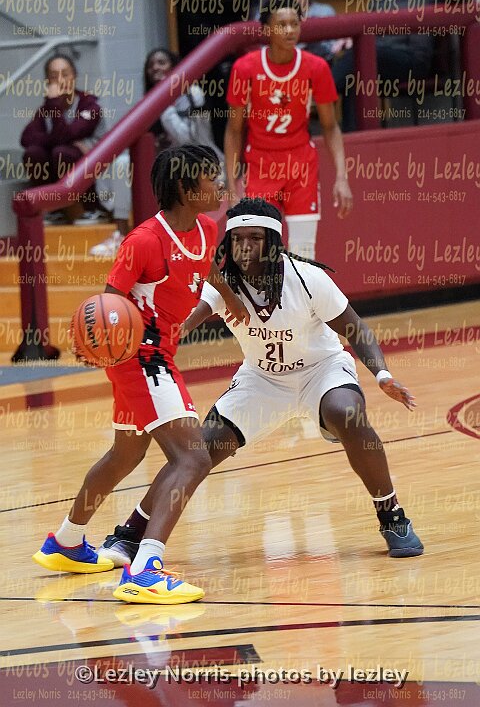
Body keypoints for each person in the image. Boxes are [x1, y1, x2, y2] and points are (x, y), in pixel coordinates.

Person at [98, 197, 423, 601]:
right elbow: (183, 324)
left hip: (320, 370)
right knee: (195, 452)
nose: (245, 247)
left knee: (347, 413)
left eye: (255, 238)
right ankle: (132, 531)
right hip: (262, 380)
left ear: (273, 242)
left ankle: (391, 514)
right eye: (237, 239)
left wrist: (382, 375)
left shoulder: (307, 278)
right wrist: (139, 339)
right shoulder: (222, 284)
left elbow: (355, 328)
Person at [32, 145, 250, 605]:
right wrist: (98, 344)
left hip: (158, 355)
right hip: (141, 359)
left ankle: (67, 541)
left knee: (125, 454)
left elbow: (208, 270)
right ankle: (145, 568)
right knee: (193, 458)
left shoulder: (207, 228)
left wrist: (230, 299)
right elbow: (108, 303)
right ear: (187, 189)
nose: (221, 184)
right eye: (211, 177)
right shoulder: (144, 241)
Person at [224, 0, 353, 262]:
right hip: (260, 164)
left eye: (295, 23)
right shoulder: (245, 68)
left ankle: (301, 292)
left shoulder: (316, 67)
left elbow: (330, 127)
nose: (290, 30)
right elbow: (234, 131)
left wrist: (342, 177)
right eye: (281, 24)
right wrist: (232, 185)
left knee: (303, 254)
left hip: (300, 164)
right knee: (261, 255)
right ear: (266, 29)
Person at [91, 48, 223, 257]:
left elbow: (189, 140)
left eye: (161, 62)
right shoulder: (149, 99)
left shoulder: (193, 94)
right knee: (121, 164)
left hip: (198, 161)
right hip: (165, 163)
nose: (155, 68)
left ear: (174, 66)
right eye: (151, 64)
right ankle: (121, 231)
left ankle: (156, 240)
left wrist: (165, 105)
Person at [331, 0, 435, 132]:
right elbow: (367, 34)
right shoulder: (376, 3)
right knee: (354, 76)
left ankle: (324, 89)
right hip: (380, 60)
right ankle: (353, 136)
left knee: (361, 56)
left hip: (410, 58)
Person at [20, 54, 105, 225]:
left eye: (65, 74)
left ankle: (93, 209)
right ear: (47, 82)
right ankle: (52, 211)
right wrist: (58, 138)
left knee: (62, 152)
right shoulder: (47, 109)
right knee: (34, 153)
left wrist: (58, 137)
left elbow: (67, 134)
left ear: (74, 76)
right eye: (53, 76)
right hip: (60, 167)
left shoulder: (90, 105)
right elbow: (26, 138)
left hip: (97, 168)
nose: (60, 80)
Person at [283, 0, 352, 63]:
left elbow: (336, 42)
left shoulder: (325, 11)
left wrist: (342, 40)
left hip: (323, 60)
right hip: (291, 63)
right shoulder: (279, 16)